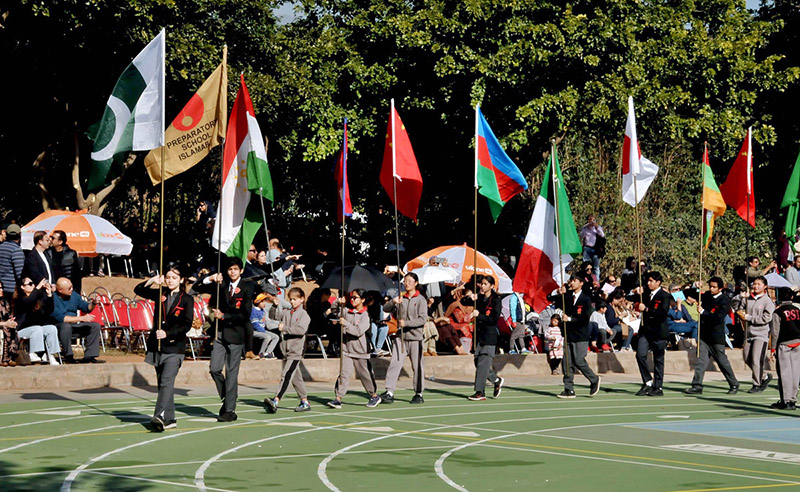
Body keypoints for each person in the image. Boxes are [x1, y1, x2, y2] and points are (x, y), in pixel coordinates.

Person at [134, 264, 195, 432]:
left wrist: (168, 333)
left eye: (174, 278)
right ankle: (170, 418)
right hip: (158, 347)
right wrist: (153, 280)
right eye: (168, 277)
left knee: (167, 381)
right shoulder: (161, 293)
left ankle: (159, 415)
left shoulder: (187, 299)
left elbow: (186, 325)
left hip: (175, 348)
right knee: (162, 384)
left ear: (181, 280)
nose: (170, 280)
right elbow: (139, 289)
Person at [195, 257, 255, 422]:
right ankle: (227, 395)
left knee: (231, 373)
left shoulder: (247, 287)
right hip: (219, 334)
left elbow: (245, 314)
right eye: (230, 269)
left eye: (236, 269)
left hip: (236, 335)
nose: (233, 272)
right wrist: (210, 278)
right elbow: (196, 287)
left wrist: (224, 315)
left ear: (241, 270)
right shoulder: (222, 284)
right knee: (214, 368)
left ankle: (229, 410)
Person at [327, 289, 381, 409]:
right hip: (346, 349)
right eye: (351, 297)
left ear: (362, 300)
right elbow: (335, 311)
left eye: (355, 297)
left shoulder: (365, 316)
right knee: (344, 374)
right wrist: (338, 302)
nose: (352, 299)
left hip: (361, 351)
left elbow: (358, 331)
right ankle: (338, 398)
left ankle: (374, 395)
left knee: (365, 375)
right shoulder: (347, 311)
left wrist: (345, 324)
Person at [685, 276, 739, 395]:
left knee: (722, 362)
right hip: (704, 335)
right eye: (710, 286)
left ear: (720, 288)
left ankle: (733, 383)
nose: (711, 288)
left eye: (714, 287)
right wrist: (695, 286)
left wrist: (704, 312)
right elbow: (688, 294)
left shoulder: (724, 300)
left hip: (716, 336)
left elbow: (718, 318)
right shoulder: (707, 296)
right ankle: (697, 385)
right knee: (701, 361)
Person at [550, 275, 600, 398]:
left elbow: (584, 318)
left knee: (578, 360)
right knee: (567, 362)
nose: (572, 283)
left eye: (575, 281)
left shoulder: (586, 299)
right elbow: (549, 298)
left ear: (581, 283)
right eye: (571, 281)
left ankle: (594, 379)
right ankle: (569, 388)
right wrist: (557, 291)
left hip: (580, 334)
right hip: (568, 333)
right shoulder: (567, 297)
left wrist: (570, 319)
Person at [381, 272, 427, 404]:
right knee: (394, 363)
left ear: (416, 283)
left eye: (410, 281)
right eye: (405, 281)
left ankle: (419, 393)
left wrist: (406, 323)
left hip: (415, 338)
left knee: (417, 366)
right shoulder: (401, 298)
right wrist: (393, 301)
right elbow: (386, 308)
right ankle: (389, 391)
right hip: (400, 338)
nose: (407, 283)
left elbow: (422, 319)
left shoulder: (421, 300)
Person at [265, 287, 312, 413]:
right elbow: (274, 316)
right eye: (290, 299)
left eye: (295, 299)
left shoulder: (304, 315)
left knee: (285, 375)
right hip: (285, 349)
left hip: (295, 351)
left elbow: (301, 330)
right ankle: (304, 401)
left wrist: (285, 328)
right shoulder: (287, 312)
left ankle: (276, 399)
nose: (292, 302)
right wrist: (274, 306)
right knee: (296, 378)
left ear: (302, 299)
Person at [631, 271, 671, 396]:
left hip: (658, 332)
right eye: (647, 281)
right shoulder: (645, 294)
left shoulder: (664, 296)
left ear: (658, 282)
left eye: (651, 281)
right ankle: (647, 381)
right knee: (640, 355)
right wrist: (634, 292)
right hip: (645, 331)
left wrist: (647, 309)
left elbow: (662, 312)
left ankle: (658, 387)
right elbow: (628, 297)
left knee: (658, 360)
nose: (648, 283)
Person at [735, 275, 775, 393]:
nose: (755, 286)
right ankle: (764, 376)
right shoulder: (749, 298)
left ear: (765, 286)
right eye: (754, 284)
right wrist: (740, 297)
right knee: (747, 358)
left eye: (759, 284)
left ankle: (757, 384)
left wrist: (750, 318)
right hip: (748, 334)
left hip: (761, 334)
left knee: (756, 359)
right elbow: (736, 307)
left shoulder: (767, 301)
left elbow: (767, 318)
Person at [467, 276, 504, 401]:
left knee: (483, 364)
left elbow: (494, 319)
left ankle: (480, 392)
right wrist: (470, 297)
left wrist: (480, 316)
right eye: (481, 284)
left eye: (485, 284)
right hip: (479, 336)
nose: (482, 286)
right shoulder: (480, 298)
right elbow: (463, 302)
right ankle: (496, 380)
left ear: (491, 285)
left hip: (489, 336)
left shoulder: (496, 300)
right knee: (478, 362)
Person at [51, 277, 103, 364]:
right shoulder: (52, 299)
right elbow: (62, 318)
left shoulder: (74, 295)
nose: (71, 289)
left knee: (95, 326)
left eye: (72, 287)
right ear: (60, 290)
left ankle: (90, 355)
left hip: (74, 326)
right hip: (58, 327)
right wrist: (81, 318)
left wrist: (93, 303)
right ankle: (69, 355)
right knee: (66, 326)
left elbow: (87, 308)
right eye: (69, 288)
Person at [14, 277, 60, 365]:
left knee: (51, 328)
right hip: (22, 330)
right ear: (22, 287)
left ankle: (49, 354)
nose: (33, 286)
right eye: (30, 284)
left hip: (37, 329)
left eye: (33, 283)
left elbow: (49, 311)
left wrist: (49, 295)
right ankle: (34, 353)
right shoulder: (20, 300)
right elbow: (28, 302)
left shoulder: (37, 298)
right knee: (37, 329)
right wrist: (37, 289)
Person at [769, 287, 800, 410]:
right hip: (798, 342)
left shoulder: (778, 312)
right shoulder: (797, 310)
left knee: (785, 373)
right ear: (792, 297)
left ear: (778, 298)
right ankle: (793, 399)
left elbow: (775, 332)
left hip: (784, 344)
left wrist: (772, 348)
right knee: (795, 372)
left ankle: (786, 400)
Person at [250, 291, 281, 359]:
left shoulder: (262, 311)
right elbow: (255, 324)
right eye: (262, 302)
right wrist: (263, 331)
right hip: (255, 331)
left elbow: (267, 321)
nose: (265, 304)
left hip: (262, 330)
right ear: (258, 302)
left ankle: (268, 352)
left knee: (276, 337)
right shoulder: (253, 311)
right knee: (267, 337)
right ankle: (261, 353)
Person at [0, 224, 25, 297]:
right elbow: (19, 273)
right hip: (12, 290)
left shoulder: (1, 247)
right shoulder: (16, 250)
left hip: (1, 288)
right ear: (20, 234)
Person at [579, 214, 605, 278]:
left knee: (595, 266)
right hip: (587, 248)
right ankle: (586, 279)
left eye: (593, 220)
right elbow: (581, 236)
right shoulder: (585, 228)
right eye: (590, 220)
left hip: (595, 249)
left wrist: (597, 227)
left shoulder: (598, 228)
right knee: (586, 265)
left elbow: (602, 235)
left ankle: (596, 281)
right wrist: (586, 228)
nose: (591, 222)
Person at [0, 280, 19, 366]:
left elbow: (8, 314)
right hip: (2, 326)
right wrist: (5, 324)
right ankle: (4, 358)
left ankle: (10, 357)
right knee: (5, 328)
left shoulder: (4, 302)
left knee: (12, 329)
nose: (1, 290)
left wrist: (11, 320)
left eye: (1, 288)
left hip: (6, 325)